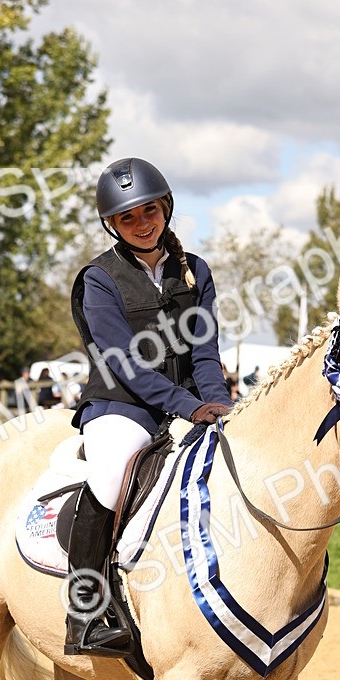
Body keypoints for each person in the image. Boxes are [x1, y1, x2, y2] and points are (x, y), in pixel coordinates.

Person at [64, 156, 233, 655]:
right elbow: (124, 362)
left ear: (166, 208)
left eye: (150, 211)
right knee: (113, 472)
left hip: (189, 404)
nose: (142, 224)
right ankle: (86, 610)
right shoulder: (99, 278)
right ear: (112, 225)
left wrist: (219, 404)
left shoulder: (194, 271)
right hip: (122, 405)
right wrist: (185, 405)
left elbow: (204, 353)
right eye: (128, 218)